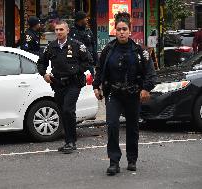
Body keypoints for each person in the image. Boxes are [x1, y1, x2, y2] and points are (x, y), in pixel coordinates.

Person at [92, 12, 157, 176]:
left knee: (132, 128)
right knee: (112, 125)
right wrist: (96, 86)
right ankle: (114, 161)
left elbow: (151, 73)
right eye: (118, 29)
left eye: (124, 29)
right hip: (113, 93)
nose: (121, 32)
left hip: (133, 94)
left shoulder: (140, 51)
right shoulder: (108, 49)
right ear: (115, 30)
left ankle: (132, 159)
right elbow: (99, 69)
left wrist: (146, 88)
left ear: (130, 31)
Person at [37, 20, 91, 154]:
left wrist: (77, 70)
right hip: (58, 84)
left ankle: (72, 141)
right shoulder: (51, 46)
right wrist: (44, 74)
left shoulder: (77, 45)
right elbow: (41, 62)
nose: (59, 32)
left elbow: (88, 60)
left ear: (67, 31)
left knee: (68, 110)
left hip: (73, 83)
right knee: (62, 112)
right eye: (57, 30)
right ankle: (68, 141)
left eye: (61, 29)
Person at [69, 11, 98, 76]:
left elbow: (93, 47)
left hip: (89, 64)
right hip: (77, 64)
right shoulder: (72, 32)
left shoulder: (88, 31)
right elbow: (69, 48)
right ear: (80, 19)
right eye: (85, 18)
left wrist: (96, 63)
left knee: (89, 84)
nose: (87, 19)